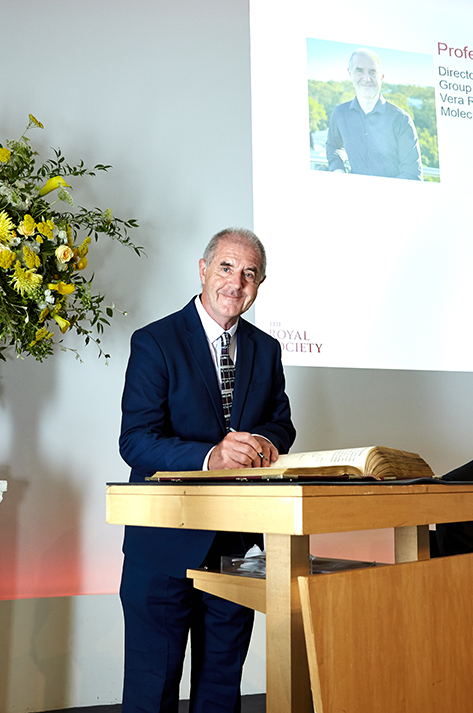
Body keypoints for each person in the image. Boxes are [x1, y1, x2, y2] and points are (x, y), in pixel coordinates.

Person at [118, 227, 296, 713]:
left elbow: (282, 424)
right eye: (226, 267)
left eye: (249, 273)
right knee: (151, 692)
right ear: (202, 269)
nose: (236, 282)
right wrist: (209, 457)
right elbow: (135, 442)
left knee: (221, 692)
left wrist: (263, 441)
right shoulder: (155, 341)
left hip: (235, 547)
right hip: (163, 545)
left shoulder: (267, 349)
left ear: (259, 285)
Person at [326, 48, 423, 180]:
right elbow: (333, 146)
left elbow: (412, 175)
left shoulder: (401, 120)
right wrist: (338, 170)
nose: (367, 78)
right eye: (359, 71)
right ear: (350, 74)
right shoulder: (340, 114)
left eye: (373, 72)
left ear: (381, 77)